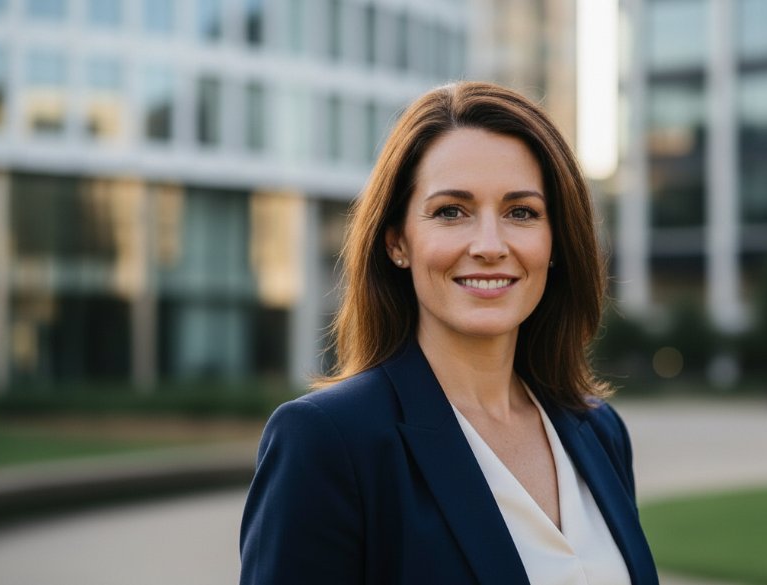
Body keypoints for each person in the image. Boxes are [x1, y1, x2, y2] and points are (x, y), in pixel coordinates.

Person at [239, 81, 658, 585]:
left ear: (556, 242)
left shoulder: (599, 430)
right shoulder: (328, 442)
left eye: (520, 212)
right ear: (398, 243)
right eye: (451, 212)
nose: (489, 244)